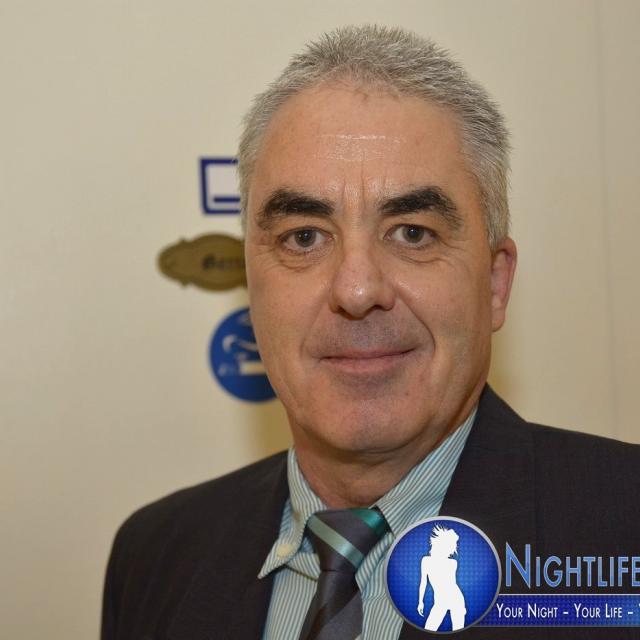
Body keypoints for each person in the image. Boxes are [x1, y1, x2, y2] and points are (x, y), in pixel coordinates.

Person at [101, 25, 640, 639]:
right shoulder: (155, 557)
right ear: (252, 284)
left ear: (495, 283)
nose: (357, 291)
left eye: (412, 233)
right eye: (304, 237)